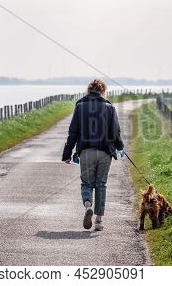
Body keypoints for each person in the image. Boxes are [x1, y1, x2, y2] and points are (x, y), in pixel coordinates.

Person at [62, 79, 124, 231]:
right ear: (103, 91)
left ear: (89, 90)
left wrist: (67, 153)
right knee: (101, 184)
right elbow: (115, 133)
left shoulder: (80, 107)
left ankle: (88, 205)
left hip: (86, 152)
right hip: (105, 152)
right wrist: (120, 147)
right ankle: (98, 221)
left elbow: (73, 132)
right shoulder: (109, 108)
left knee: (87, 183)